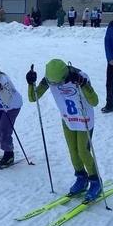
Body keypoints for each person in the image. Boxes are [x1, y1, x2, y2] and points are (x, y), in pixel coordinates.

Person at [26, 60, 101, 202]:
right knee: (73, 152)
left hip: (84, 120)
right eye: (52, 83)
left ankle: (96, 182)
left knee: (83, 152)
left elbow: (94, 101)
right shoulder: (49, 79)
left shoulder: (80, 75)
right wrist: (31, 83)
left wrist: (83, 84)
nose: (55, 86)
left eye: (58, 83)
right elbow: (33, 97)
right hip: (68, 119)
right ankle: (81, 178)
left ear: (64, 76)